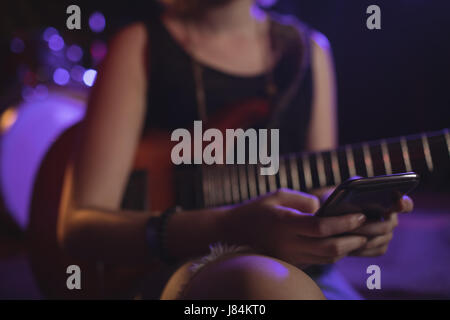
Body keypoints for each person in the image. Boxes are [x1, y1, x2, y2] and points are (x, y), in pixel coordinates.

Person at [57, 0, 413, 299]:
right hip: (183, 272)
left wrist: (353, 227)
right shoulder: (139, 46)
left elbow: (321, 193)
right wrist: (228, 227)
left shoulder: (310, 52)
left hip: (306, 275)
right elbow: (77, 228)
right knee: (257, 280)